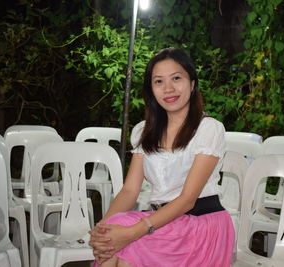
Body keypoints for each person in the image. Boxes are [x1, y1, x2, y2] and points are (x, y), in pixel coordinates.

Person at [89, 47, 235, 267]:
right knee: (113, 232)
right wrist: (102, 230)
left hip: (199, 226)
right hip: (161, 223)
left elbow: (187, 200)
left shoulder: (208, 129)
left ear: (192, 83)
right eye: (158, 81)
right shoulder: (143, 131)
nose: (168, 89)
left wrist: (133, 233)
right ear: (151, 89)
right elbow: (130, 191)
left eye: (176, 78)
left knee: (128, 244)